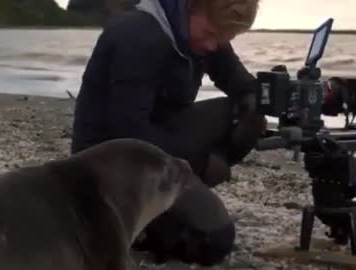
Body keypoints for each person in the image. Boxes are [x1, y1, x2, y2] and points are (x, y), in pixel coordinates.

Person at [70, 0, 266, 266]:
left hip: (159, 136)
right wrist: (199, 163)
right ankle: (142, 222)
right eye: (210, 34)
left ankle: (172, 202)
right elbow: (129, 134)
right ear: (191, 6)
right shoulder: (140, 36)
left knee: (247, 115)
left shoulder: (200, 29)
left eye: (220, 40)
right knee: (215, 239)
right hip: (106, 165)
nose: (212, 45)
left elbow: (237, 79)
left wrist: (261, 93)